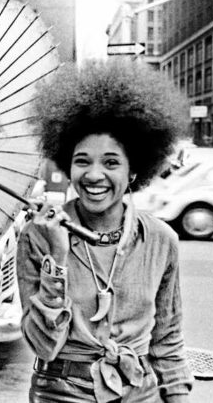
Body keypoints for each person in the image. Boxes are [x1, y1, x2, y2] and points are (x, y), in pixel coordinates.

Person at [18, 60, 193, 402]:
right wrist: (57, 258)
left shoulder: (161, 240)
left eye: (111, 162)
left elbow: (168, 340)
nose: (94, 175)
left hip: (140, 390)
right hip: (61, 392)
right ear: (68, 165)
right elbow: (43, 345)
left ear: (133, 171)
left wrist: (177, 397)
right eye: (82, 161)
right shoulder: (37, 236)